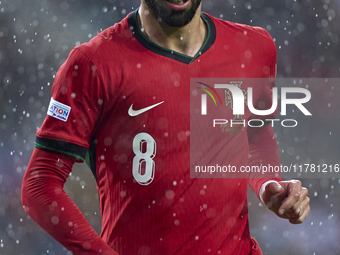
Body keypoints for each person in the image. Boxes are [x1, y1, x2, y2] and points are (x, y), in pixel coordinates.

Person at [21, 0, 310, 254]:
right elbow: (40, 184)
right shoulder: (93, 64)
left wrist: (268, 185)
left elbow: (255, 133)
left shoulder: (255, 47)